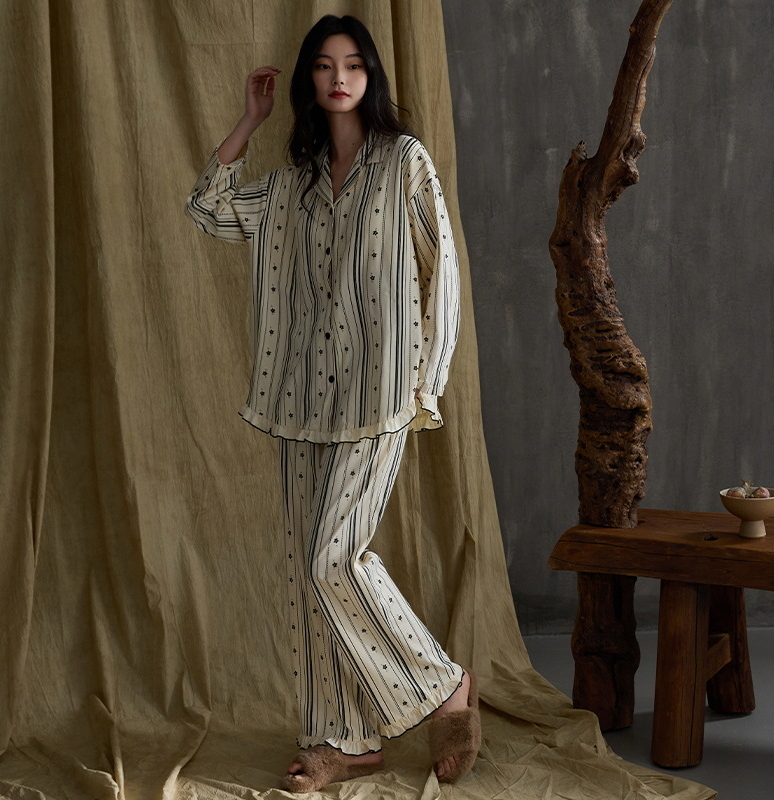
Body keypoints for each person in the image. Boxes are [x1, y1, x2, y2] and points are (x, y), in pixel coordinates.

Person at [185, 14, 479, 792]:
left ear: (370, 76)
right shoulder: (293, 184)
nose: (338, 76)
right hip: (298, 398)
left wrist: (426, 379)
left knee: (332, 558)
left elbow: (442, 270)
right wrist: (249, 120)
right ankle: (343, 738)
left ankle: (445, 683)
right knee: (304, 572)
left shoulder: (403, 161)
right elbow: (209, 208)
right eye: (323, 65)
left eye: (352, 64)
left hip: (380, 391)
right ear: (309, 82)